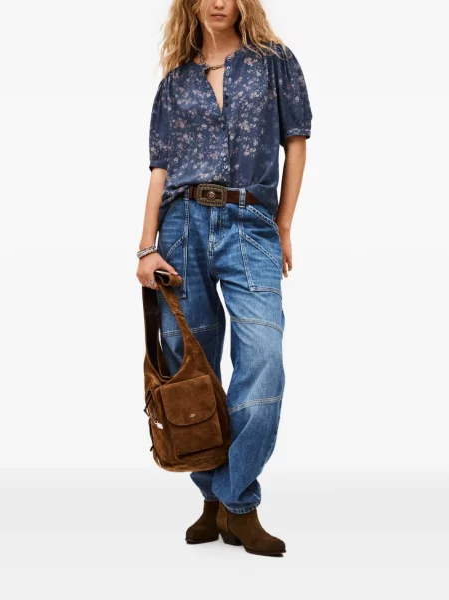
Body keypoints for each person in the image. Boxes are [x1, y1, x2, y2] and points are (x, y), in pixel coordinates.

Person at [137, 0, 312, 557]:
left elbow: (295, 142)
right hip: (181, 226)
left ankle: (236, 500)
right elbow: (160, 169)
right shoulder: (174, 82)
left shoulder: (274, 61)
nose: (218, 2)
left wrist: (284, 224)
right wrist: (146, 246)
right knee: (190, 367)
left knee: (263, 357)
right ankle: (213, 497)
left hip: (250, 224)